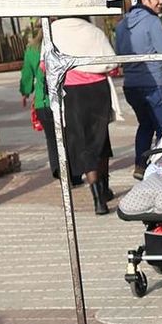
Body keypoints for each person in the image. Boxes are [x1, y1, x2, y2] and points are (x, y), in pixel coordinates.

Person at [43, 17, 119, 212]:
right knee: (101, 139)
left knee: (83, 143)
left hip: (72, 92)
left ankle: (98, 199)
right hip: (98, 89)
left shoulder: (52, 31)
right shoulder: (93, 30)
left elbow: (45, 65)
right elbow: (113, 64)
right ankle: (104, 189)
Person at [113, 0, 162, 178]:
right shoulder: (152, 21)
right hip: (155, 84)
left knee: (145, 125)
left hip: (131, 86)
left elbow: (119, 53)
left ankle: (140, 165)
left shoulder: (122, 25)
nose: (161, 1)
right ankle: (161, 170)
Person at [19, 27, 57, 180]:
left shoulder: (32, 50)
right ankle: (73, 173)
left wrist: (25, 92)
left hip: (42, 102)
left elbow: (27, 74)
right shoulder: (59, 44)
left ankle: (57, 169)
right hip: (61, 99)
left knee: (51, 138)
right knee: (67, 136)